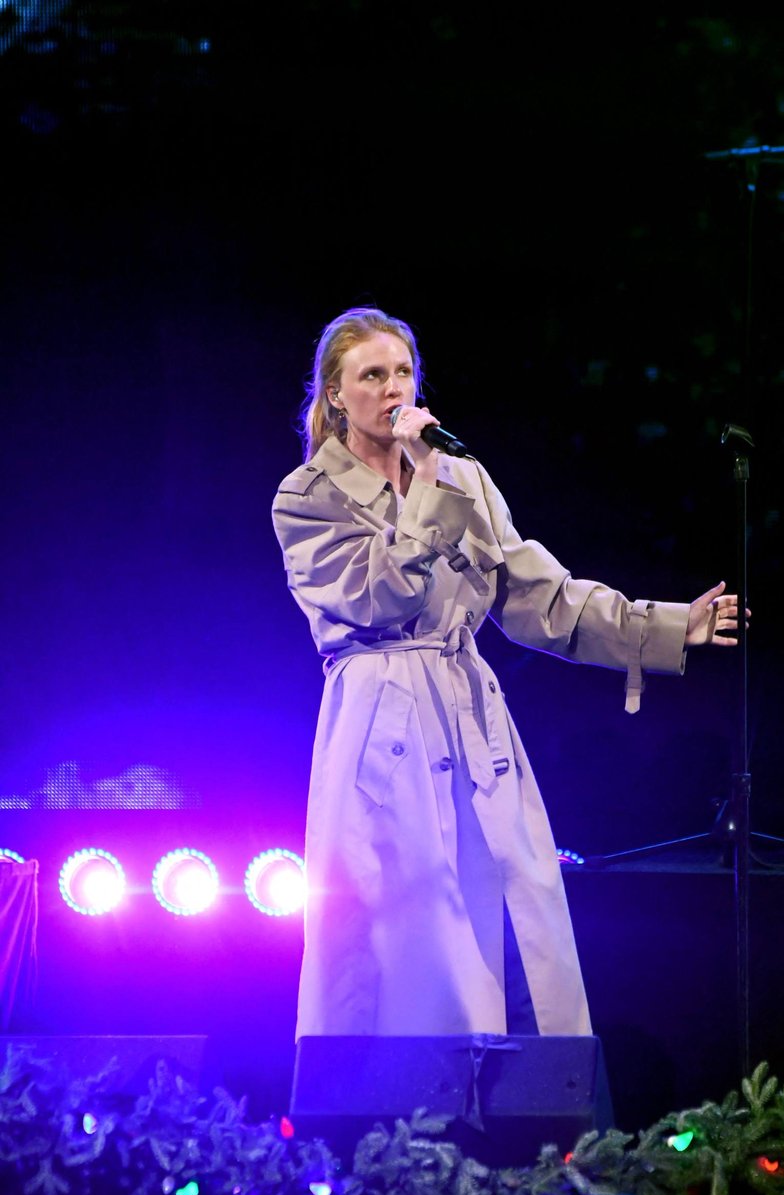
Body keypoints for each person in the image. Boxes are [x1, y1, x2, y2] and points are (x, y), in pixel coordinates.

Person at [272, 306, 744, 1040]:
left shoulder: (464, 477)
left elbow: (536, 597)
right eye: (373, 375)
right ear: (336, 394)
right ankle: (397, 1119)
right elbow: (376, 597)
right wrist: (426, 488)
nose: (394, 389)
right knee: (403, 925)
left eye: (403, 372)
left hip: (470, 715)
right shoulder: (307, 497)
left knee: (516, 904)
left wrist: (668, 624)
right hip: (381, 718)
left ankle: (528, 1115)